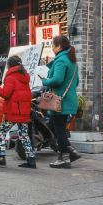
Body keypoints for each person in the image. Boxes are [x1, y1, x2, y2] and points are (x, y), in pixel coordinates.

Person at [41, 35, 81, 169]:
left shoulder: (61, 60)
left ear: (58, 46)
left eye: (53, 45)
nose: (52, 48)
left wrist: (45, 81)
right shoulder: (71, 60)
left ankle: (64, 157)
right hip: (68, 100)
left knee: (59, 130)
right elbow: (77, 82)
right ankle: (70, 152)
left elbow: (57, 79)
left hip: (59, 102)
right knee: (54, 126)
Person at [0, 56, 35, 168]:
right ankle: (31, 159)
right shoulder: (24, 76)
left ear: (9, 66)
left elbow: (5, 93)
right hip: (24, 111)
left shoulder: (10, 77)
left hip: (13, 111)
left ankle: (1, 157)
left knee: (2, 131)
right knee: (24, 135)